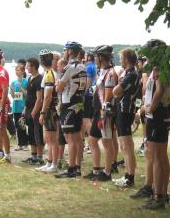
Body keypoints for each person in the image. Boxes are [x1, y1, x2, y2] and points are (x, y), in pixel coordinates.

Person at [137, 39, 170, 209]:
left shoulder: (158, 68)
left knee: (157, 158)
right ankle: (162, 194)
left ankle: (158, 196)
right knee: (161, 157)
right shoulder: (165, 67)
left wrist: (150, 108)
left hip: (157, 115)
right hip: (163, 113)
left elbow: (160, 90)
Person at [56, 41, 88, 178]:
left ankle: (71, 168)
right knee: (77, 137)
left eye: (65, 50)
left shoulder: (69, 67)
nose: (64, 52)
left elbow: (59, 88)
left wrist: (58, 83)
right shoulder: (82, 66)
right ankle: (77, 167)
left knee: (70, 138)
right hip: (79, 102)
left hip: (68, 103)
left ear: (69, 51)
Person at [86, 45, 118, 181]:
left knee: (106, 142)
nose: (94, 60)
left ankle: (107, 172)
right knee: (92, 140)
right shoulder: (102, 71)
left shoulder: (110, 73)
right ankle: (96, 169)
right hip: (97, 110)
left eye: (95, 57)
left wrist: (104, 113)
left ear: (100, 57)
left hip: (104, 112)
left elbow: (108, 95)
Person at [112, 48, 141, 188]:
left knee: (127, 145)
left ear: (127, 59)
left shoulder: (132, 74)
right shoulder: (127, 73)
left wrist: (118, 93)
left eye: (121, 58)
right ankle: (127, 175)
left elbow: (115, 91)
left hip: (125, 110)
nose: (120, 60)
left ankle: (130, 178)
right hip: (121, 109)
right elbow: (117, 92)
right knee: (124, 145)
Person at [37, 49, 60, 172]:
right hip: (50, 108)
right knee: (49, 138)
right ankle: (50, 162)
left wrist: (42, 112)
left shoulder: (49, 74)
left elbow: (47, 96)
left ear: (41, 61)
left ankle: (54, 164)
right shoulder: (48, 73)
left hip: (50, 109)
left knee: (52, 139)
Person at [23, 57, 45, 165]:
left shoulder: (39, 79)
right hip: (28, 108)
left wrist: (35, 111)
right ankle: (33, 155)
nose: (26, 68)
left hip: (35, 110)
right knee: (30, 132)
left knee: (37, 133)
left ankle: (40, 157)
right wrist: (25, 108)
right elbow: (28, 95)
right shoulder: (29, 78)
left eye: (28, 66)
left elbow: (39, 98)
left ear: (34, 67)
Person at [10, 62, 29, 151]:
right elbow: (14, 96)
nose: (17, 72)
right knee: (17, 126)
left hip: (23, 107)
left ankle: (25, 144)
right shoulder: (13, 82)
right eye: (16, 70)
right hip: (15, 107)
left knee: (23, 125)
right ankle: (20, 144)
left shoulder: (26, 81)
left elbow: (27, 94)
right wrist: (12, 91)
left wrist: (21, 88)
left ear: (23, 71)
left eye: (18, 70)